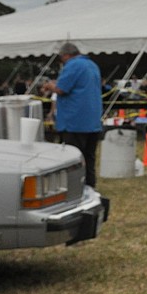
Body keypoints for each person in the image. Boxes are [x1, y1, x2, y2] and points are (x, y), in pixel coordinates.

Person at [41, 42, 103, 187]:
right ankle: (90, 184)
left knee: (73, 157)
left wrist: (50, 86)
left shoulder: (73, 65)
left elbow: (61, 89)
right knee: (89, 156)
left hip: (75, 120)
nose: (62, 61)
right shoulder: (92, 65)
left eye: (61, 58)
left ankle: (74, 186)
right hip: (92, 120)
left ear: (66, 55)